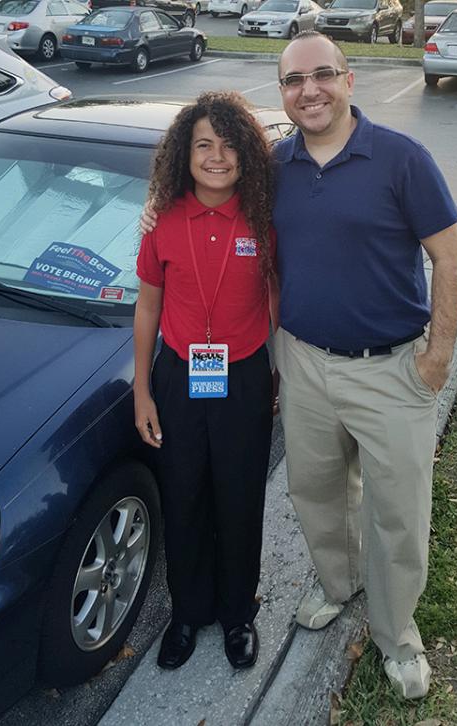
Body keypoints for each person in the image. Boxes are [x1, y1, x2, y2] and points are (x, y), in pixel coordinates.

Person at [273, 31, 457, 699]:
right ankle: (339, 582)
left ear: (350, 80)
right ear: (284, 94)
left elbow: (450, 256)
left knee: (398, 512)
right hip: (303, 363)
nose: (310, 90)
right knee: (318, 493)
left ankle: (396, 630)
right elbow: (211, 207)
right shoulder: (277, 165)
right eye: (294, 81)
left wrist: (437, 356)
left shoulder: (401, 158)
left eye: (323, 74)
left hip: (391, 370)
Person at [133, 91, 277, 671]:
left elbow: (279, 300)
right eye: (202, 145)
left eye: (228, 144)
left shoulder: (266, 218)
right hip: (178, 380)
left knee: (240, 499)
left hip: (242, 378)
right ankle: (187, 613)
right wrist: (143, 390)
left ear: (246, 152)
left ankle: (238, 612)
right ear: (183, 155)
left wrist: (282, 376)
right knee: (185, 498)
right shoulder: (162, 219)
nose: (216, 156)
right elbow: (147, 308)